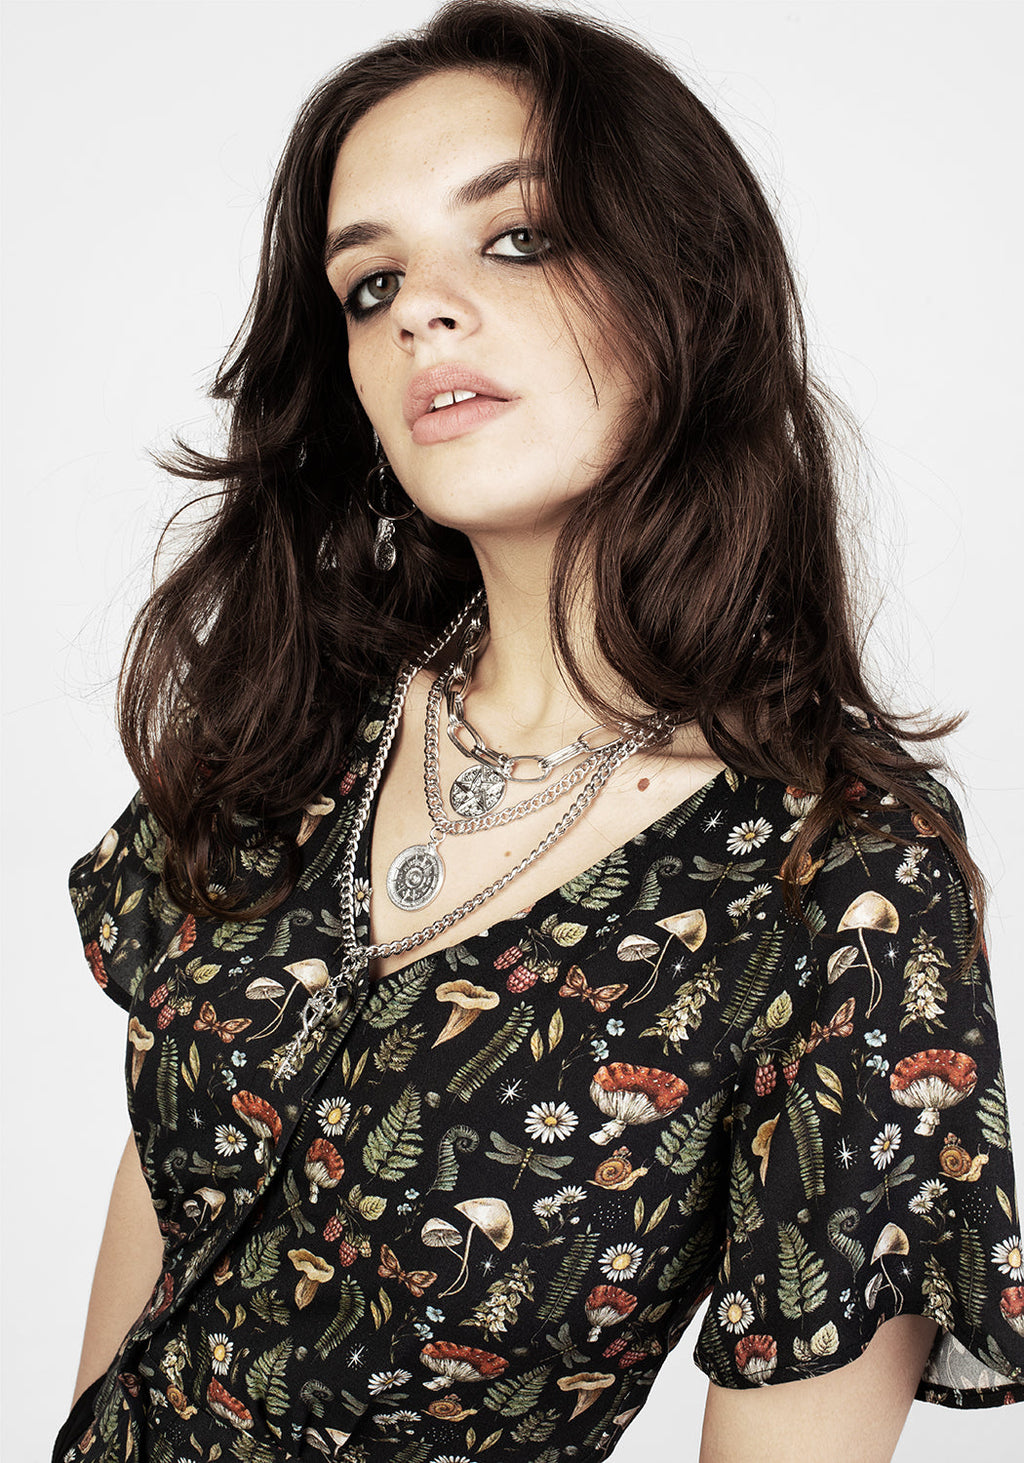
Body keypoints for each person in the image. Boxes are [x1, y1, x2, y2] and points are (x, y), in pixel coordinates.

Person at [52, 2, 1024, 1460]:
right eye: (372, 283)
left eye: (517, 238)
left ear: (685, 292)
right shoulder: (295, 727)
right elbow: (167, 1204)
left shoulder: (842, 882)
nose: (421, 313)